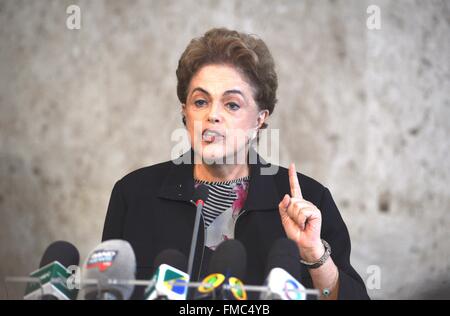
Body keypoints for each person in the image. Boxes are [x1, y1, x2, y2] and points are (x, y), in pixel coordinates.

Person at [102, 27, 369, 300]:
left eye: (231, 104)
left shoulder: (310, 201)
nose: (213, 115)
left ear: (260, 119)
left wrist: (314, 255)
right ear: (185, 112)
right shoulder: (133, 194)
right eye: (201, 101)